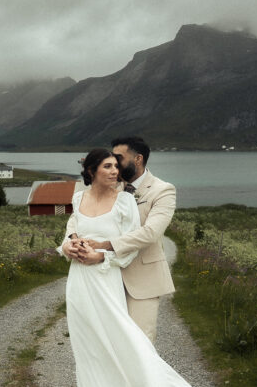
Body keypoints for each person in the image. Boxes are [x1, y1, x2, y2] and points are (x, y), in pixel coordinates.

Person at [58, 148, 207, 387]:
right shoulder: (77, 198)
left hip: (106, 278)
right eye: (109, 166)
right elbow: (70, 233)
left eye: (118, 165)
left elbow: (134, 243)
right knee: (90, 350)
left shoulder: (127, 200)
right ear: (91, 170)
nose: (116, 170)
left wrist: (102, 255)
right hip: (79, 283)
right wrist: (68, 248)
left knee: (131, 347)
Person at [61, 136, 175, 344]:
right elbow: (76, 218)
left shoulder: (163, 190)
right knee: (107, 342)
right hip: (104, 278)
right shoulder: (109, 184)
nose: (114, 164)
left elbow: (150, 232)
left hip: (142, 278)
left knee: (139, 343)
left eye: (119, 158)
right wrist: (72, 241)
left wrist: (104, 247)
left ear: (138, 159)